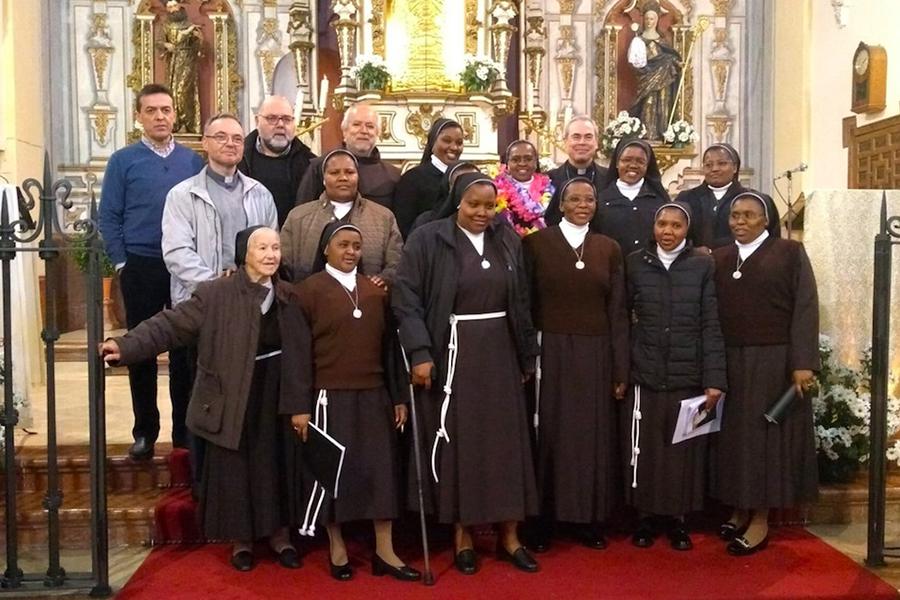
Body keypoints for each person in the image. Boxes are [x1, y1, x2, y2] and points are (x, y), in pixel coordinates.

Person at [100, 227, 307, 572]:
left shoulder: (289, 296)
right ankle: (241, 540)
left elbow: (302, 353)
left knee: (276, 464)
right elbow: (170, 325)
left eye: (275, 248)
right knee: (237, 469)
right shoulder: (215, 294)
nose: (271, 255)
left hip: (275, 392)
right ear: (244, 253)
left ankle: (280, 536)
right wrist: (125, 345)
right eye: (262, 248)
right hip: (231, 393)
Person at [392, 172, 540, 575]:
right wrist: (420, 352)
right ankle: (463, 536)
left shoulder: (506, 237)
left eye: (488, 206)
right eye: (473, 204)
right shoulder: (428, 238)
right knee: (463, 445)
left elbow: (521, 298)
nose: (481, 213)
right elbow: (405, 298)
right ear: (458, 201)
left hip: (502, 353)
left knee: (506, 446)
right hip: (453, 353)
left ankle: (510, 536)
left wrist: (527, 355)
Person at [292, 222, 420, 583]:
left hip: (374, 394)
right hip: (328, 397)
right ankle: (336, 545)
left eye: (357, 246)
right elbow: (298, 356)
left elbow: (390, 351)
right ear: (326, 250)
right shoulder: (308, 292)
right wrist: (299, 406)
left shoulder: (375, 292)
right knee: (336, 473)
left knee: (381, 471)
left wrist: (397, 397)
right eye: (343, 244)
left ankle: (385, 550)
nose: (351, 251)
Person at [710, 191, 819, 556]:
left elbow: (805, 307)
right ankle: (739, 507)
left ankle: (760, 518)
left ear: (765, 220)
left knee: (764, 441)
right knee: (735, 439)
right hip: (730, 359)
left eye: (748, 216)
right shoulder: (720, 257)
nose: (739, 221)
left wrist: (802, 362)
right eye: (734, 216)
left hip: (774, 360)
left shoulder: (789, 253)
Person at [99, 83, 204, 460]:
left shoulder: (193, 162)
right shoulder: (123, 161)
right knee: (141, 349)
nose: (160, 116)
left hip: (183, 265)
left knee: (182, 351)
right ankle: (145, 430)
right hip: (141, 264)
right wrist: (123, 261)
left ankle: (182, 433)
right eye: (152, 110)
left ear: (176, 114)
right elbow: (109, 215)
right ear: (138, 116)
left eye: (166, 109)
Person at [522, 177, 628, 550]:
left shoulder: (608, 248)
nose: (583, 204)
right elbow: (525, 304)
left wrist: (620, 368)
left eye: (589, 199)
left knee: (590, 437)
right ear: (561, 204)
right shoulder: (536, 244)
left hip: (596, 354)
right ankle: (542, 521)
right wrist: (526, 356)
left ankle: (587, 519)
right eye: (575, 198)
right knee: (548, 434)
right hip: (549, 349)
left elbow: (617, 312)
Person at [624, 202, 727, 551]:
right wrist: (623, 371)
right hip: (646, 371)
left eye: (676, 226)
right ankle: (645, 518)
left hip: (688, 373)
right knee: (646, 450)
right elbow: (622, 320)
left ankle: (678, 520)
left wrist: (715, 378)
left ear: (688, 229)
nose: (667, 232)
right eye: (662, 224)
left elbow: (711, 323)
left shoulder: (702, 264)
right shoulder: (635, 262)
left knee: (682, 452)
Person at [280, 149, 402, 284]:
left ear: (358, 177)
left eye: (349, 172)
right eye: (334, 173)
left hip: (368, 300)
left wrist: (384, 279)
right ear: (324, 179)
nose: (343, 178)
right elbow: (284, 266)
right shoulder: (298, 218)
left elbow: (396, 262)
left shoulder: (383, 217)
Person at [295, 103, 401, 210]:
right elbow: (302, 214)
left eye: (370, 126)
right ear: (344, 131)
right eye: (356, 124)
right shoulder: (320, 167)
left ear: (378, 133)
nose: (364, 131)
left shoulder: (393, 176)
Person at [674, 143, 781, 249]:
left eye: (722, 163)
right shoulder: (686, 198)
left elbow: (772, 241)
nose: (714, 169)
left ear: (734, 167)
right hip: (697, 263)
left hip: (740, 262)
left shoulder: (754, 200)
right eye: (708, 165)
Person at [238, 95, 316, 227]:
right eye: (272, 118)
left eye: (286, 119)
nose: (280, 125)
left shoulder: (311, 164)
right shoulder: (238, 160)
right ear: (257, 121)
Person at [594, 138, 669, 256]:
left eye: (640, 161)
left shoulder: (660, 200)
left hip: (649, 269)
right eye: (626, 160)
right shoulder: (601, 199)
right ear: (617, 163)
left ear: (647, 165)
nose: (633, 165)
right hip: (612, 268)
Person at [392, 118, 465, 238]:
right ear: (432, 143)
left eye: (459, 142)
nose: (454, 147)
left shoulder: (465, 177)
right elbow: (403, 227)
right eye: (446, 141)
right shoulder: (412, 179)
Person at [626, 1, 682, 141]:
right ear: (643, 20)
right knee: (649, 103)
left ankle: (662, 131)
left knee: (663, 102)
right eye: (647, 19)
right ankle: (648, 133)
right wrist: (639, 64)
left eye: (652, 19)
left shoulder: (662, 40)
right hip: (646, 77)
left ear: (657, 20)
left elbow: (668, 57)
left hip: (664, 77)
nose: (649, 22)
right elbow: (635, 61)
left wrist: (677, 63)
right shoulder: (638, 40)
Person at [543, 116, 608, 226]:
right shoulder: (548, 180)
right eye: (576, 137)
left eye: (588, 137)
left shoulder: (610, 178)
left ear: (596, 142)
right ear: (565, 142)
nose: (582, 142)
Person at [495, 140, 555, 236]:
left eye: (528, 159)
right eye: (515, 159)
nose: (522, 163)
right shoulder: (496, 191)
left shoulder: (550, 187)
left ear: (536, 162)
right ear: (507, 163)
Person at [161, 0, 202, 133]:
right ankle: (176, 123)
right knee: (172, 93)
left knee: (183, 92)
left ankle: (187, 123)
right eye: (170, 7)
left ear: (180, 6)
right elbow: (159, 42)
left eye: (175, 5)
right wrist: (166, 45)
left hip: (188, 60)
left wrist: (198, 38)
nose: (173, 9)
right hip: (173, 62)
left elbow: (200, 47)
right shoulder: (166, 25)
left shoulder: (189, 25)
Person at [409, 161, 480, 233]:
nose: (468, 192)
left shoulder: (485, 220)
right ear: (448, 188)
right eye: (460, 186)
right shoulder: (425, 221)